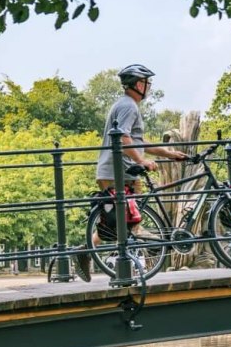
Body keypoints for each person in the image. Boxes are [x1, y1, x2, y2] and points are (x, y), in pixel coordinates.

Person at [81, 64, 191, 280]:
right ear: (139, 84)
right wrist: (142, 160)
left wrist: (169, 154)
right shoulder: (128, 107)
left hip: (121, 170)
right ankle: (139, 255)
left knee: (122, 221)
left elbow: (139, 142)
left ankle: (106, 255)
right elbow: (123, 139)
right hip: (118, 172)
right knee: (123, 222)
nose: (149, 87)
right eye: (147, 82)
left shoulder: (126, 105)